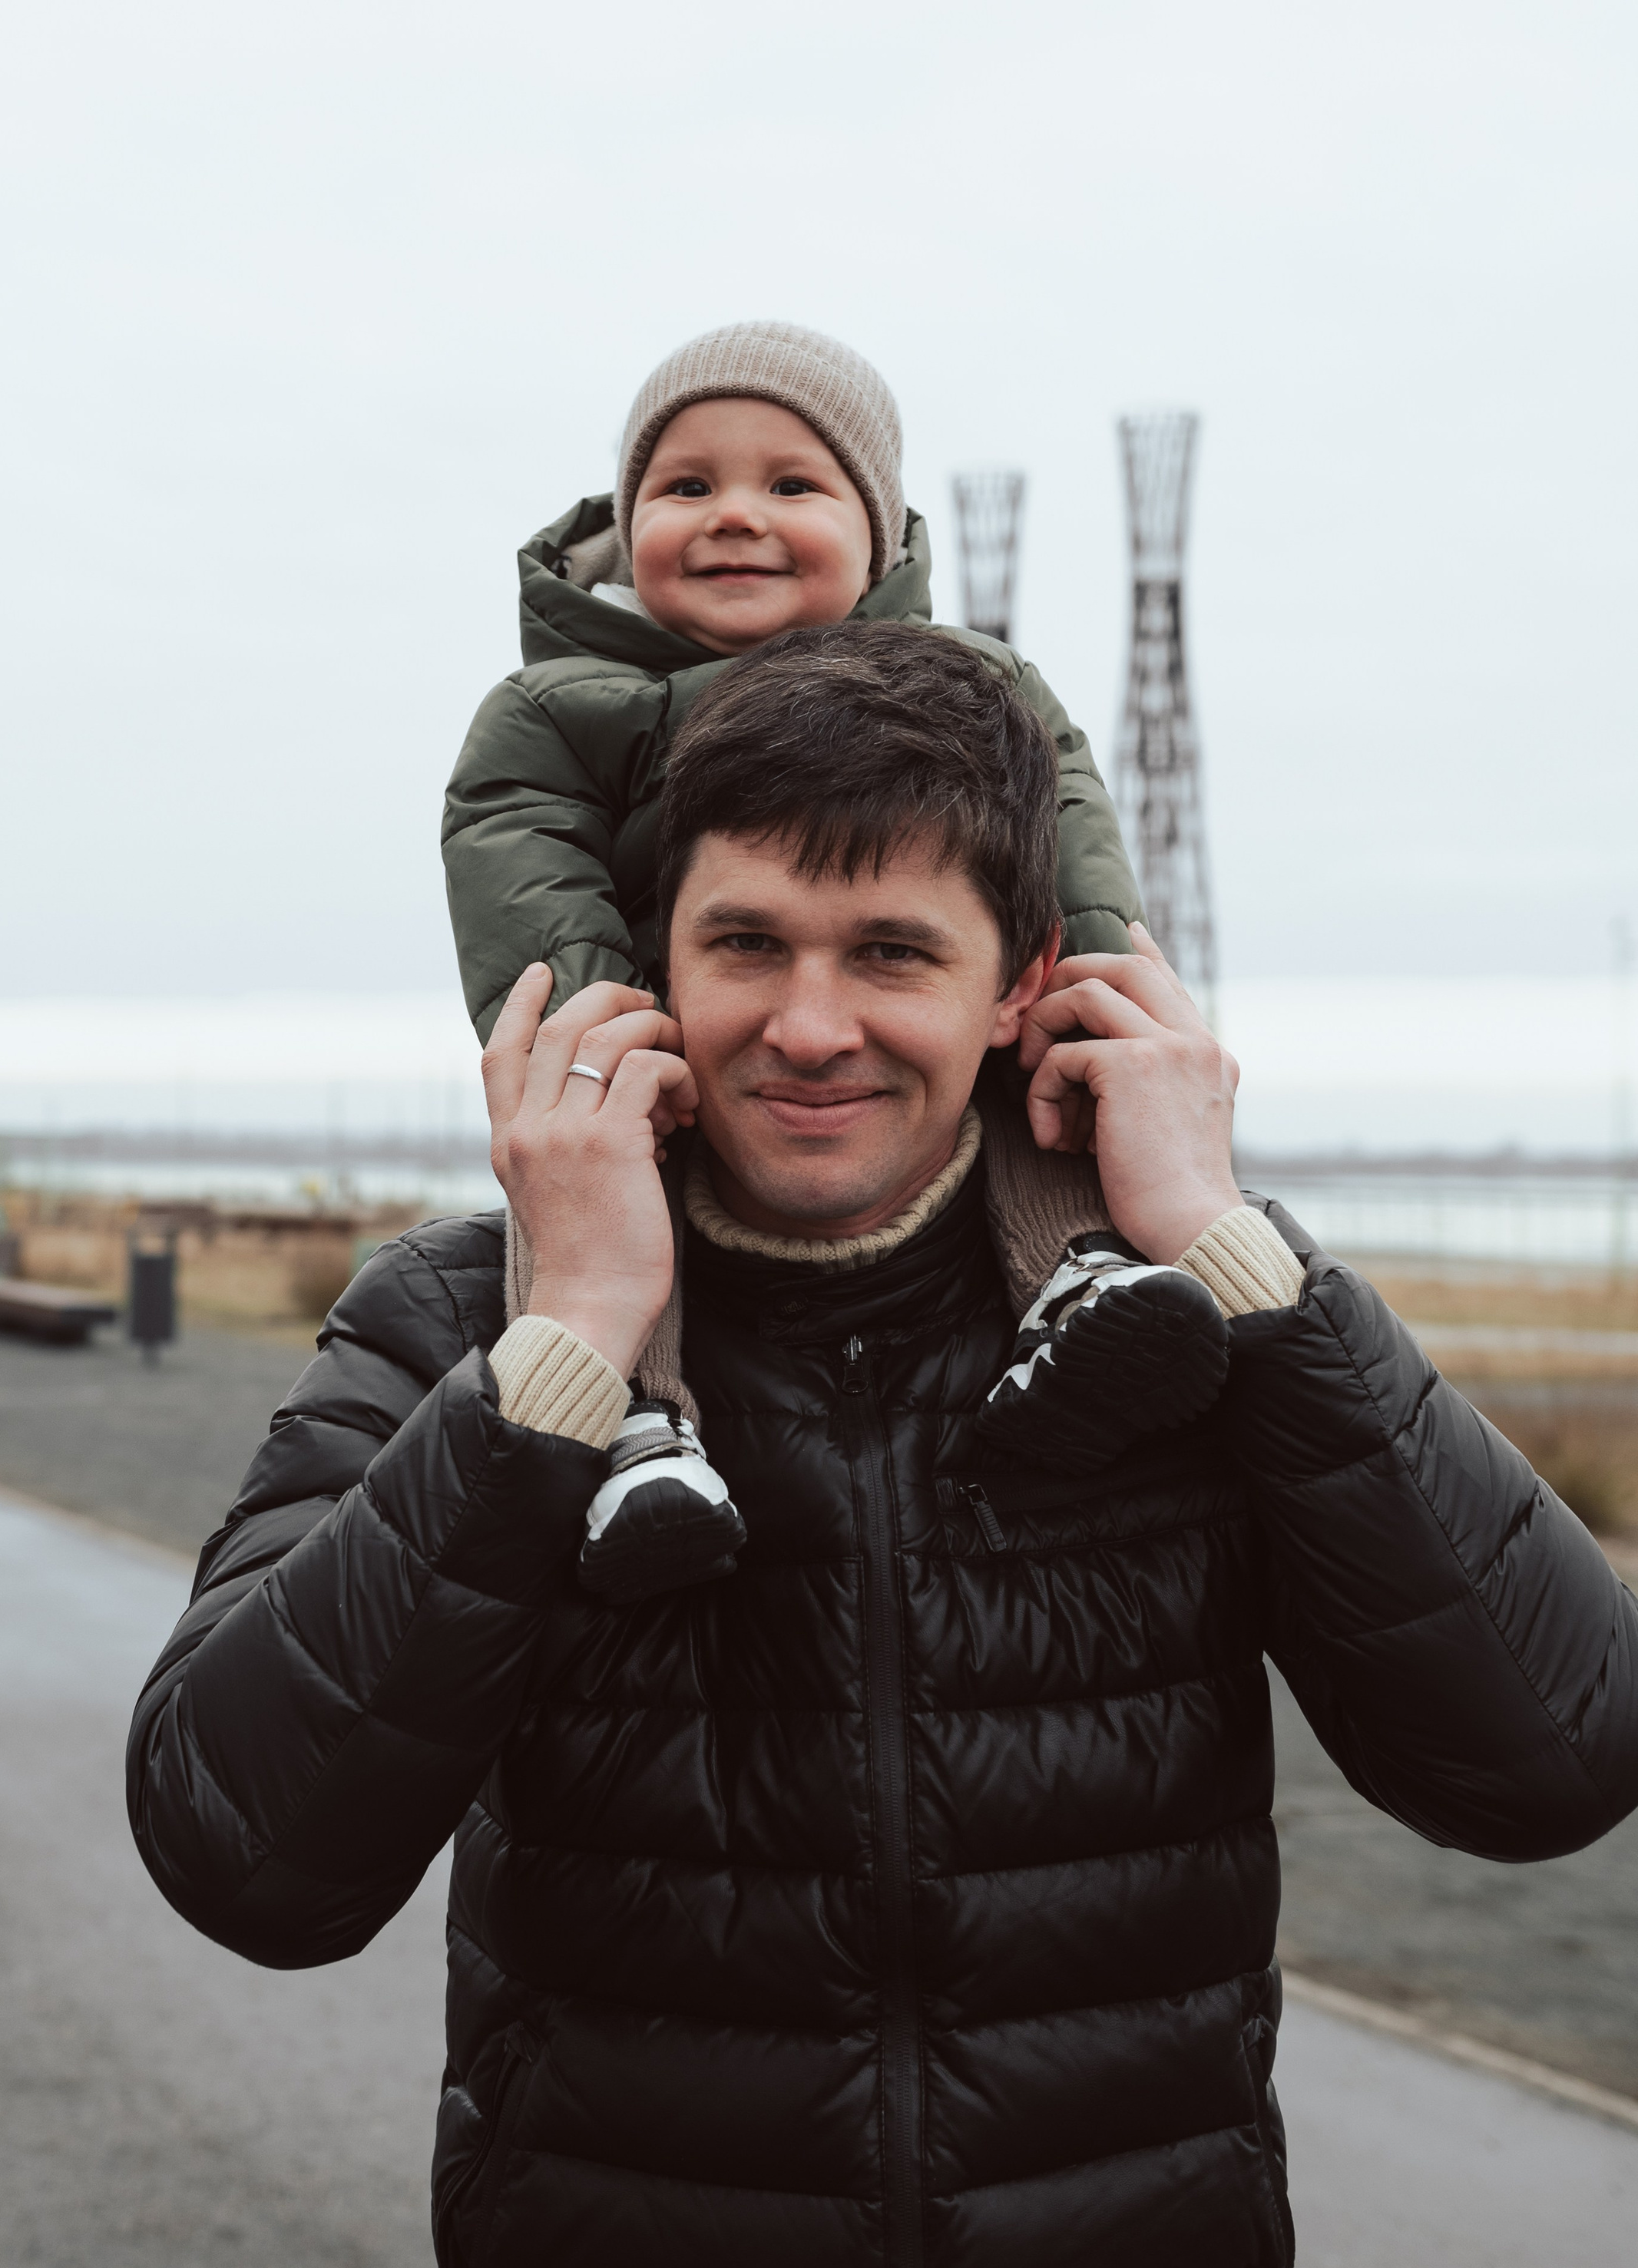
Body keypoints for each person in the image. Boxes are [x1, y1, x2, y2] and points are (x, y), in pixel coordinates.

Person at [129, 623, 1638, 2268]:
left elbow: (1550, 1758)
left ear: (1022, 992)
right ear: (644, 966)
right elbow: (243, 1849)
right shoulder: (469, 1315)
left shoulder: (1180, 1312)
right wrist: (566, 1343)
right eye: (745, 942)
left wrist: (1236, 1254)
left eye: (894, 952)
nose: (810, 1023)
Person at [441, 320, 1226, 1603]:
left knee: (1034, 1094)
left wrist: (1085, 984)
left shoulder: (974, 682)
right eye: (686, 486)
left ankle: (1080, 1289)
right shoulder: (559, 704)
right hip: (662, 1040)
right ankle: (634, 1420)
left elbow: (1068, 824)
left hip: (903, 1062)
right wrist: (610, 1023)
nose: (733, 516)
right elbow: (514, 861)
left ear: (880, 535)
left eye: (791, 485)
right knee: (584, 1175)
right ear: (625, 519)